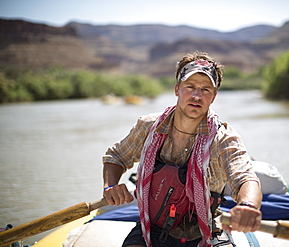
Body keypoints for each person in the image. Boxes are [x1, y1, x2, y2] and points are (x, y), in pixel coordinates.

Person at [102, 51, 262, 247]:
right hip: (152, 229)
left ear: (213, 97)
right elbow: (116, 156)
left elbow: (245, 177)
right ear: (177, 89)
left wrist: (248, 206)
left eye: (205, 89)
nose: (197, 95)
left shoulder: (224, 138)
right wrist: (110, 186)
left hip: (204, 232)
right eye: (190, 87)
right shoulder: (148, 126)